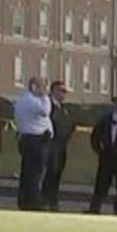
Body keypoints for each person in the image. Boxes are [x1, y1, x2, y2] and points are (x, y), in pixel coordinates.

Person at [12, 76, 52, 211]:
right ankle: (33, 200)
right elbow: (45, 112)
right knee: (34, 172)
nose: (44, 90)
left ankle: (25, 199)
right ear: (34, 87)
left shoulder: (24, 100)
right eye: (42, 87)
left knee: (28, 171)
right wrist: (45, 97)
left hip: (29, 139)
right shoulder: (31, 101)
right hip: (35, 140)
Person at [40, 81, 76, 211]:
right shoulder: (48, 106)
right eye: (61, 91)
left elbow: (70, 125)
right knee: (51, 172)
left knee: (57, 172)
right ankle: (45, 198)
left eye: (65, 91)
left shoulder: (64, 108)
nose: (63, 94)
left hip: (61, 145)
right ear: (53, 91)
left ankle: (53, 198)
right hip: (51, 145)